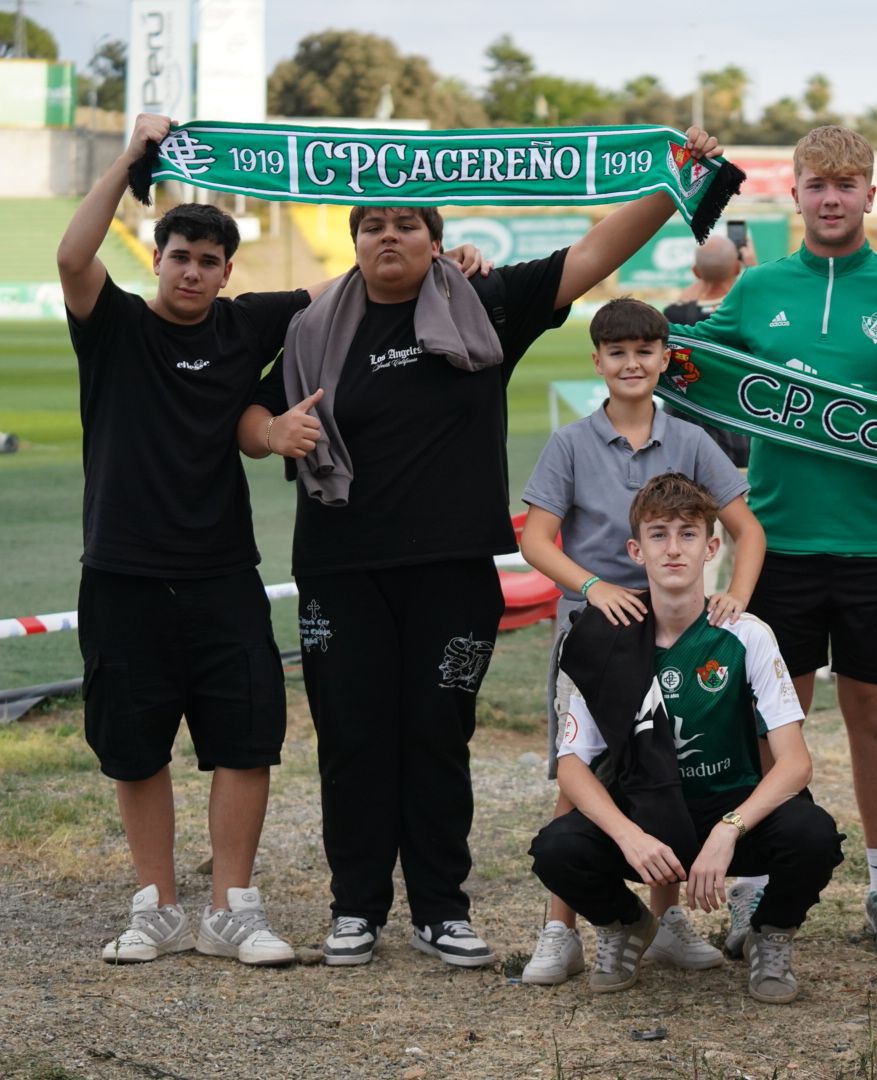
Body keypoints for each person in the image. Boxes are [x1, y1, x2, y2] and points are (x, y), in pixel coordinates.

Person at [239, 127, 724, 969]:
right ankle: (355, 909)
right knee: (353, 738)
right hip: (339, 569)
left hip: (452, 571)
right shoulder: (315, 325)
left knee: (435, 733)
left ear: (435, 240)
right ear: (354, 241)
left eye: (406, 223)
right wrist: (272, 430)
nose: (388, 235)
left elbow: (595, 249)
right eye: (371, 225)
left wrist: (675, 175)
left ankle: (440, 909)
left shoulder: (485, 304)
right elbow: (240, 412)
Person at [673, 125, 877, 956]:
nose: (831, 198)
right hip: (778, 541)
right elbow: (678, 361)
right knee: (772, 723)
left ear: (868, 195)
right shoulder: (757, 292)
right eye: (817, 184)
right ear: (793, 194)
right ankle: (757, 891)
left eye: (846, 184)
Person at [57, 113, 305, 967]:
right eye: (179, 256)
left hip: (223, 572)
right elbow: (69, 257)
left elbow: (352, 293)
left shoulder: (244, 325)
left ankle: (233, 909)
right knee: (134, 745)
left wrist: (450, 264)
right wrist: (132, 153)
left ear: (227, 271)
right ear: (155, 259)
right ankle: (156, 906)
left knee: (246, 738)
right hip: (121, 573)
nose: (192, 270)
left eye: (208, 260)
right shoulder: (115, 325)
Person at [516, 297, 764, 985]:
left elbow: (749, 529)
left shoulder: (689, 440)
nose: (631, 362)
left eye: (644, 351)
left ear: (664, 359)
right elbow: (537, 539)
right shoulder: (570, 442)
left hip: (678, 633)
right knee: (578, 775)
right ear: (597, 361)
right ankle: (558, 930)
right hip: (594, 637)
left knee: (671, 772)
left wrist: (734, 598)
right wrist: (594, 588)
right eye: (617, 351)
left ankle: (670, 919)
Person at [529, 473, 842, 1003]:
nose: (673, 548)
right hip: (646, 815)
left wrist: (729, 828)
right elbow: (572, 766)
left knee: (813, 836)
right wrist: (629, 835)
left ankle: (769, 934)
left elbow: (794, 765)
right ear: (636, 549)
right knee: (556, 850)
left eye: (688, 534)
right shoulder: (603, 638)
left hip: (728, 811)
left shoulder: (747, 634)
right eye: (658, 534)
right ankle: (627, 924)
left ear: (711, 547)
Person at [663, 234, 751, 468]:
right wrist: (751, 267)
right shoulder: (748, 314)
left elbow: (685, 303)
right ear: (736, 266)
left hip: (685, 447)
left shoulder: (674, 315)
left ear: (695, 272)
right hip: (740, 443)